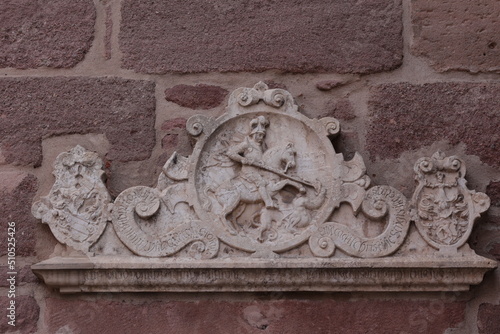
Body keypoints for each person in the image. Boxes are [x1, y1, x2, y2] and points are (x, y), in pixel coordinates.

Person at [226, 116, 276, 208]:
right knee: (261, 182)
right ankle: (268, 202)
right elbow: (230, 152)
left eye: (263, 136)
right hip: (248, 171)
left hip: (258, 170)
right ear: (254, 134)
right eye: (260, 135)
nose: (261, 138)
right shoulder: (246, 144)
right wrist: (242, 159)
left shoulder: (261, 146)